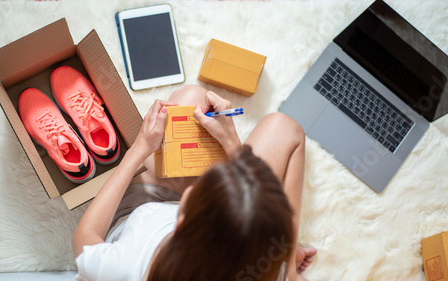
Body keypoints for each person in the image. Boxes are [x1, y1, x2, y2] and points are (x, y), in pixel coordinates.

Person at [73, 85, 317, 281]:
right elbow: (259, 201)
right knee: (282, 126)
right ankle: (290, 272)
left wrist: (140, 147)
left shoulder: (127, 261)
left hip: (138, 210)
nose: (192, 187)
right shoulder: (253, 267)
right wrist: (230, 140)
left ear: (181, 222)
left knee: (188, 99)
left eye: (202, 188)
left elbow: (84, 239)